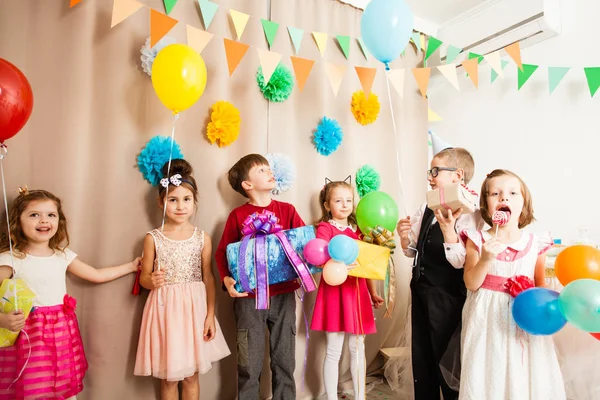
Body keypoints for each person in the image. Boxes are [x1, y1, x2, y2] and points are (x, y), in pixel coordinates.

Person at [0, 188, 140, 399]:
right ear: (17, 221)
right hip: (29, 337)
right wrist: (3, 320)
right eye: (34, 214)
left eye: (51, 215)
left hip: (61, 334)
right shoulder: (11, 258)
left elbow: (95, 274)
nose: (43, 220)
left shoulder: (62, 256)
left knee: (61, 384)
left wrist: (131, 266)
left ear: (59, 221)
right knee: (33, 388)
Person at [134, 159, 230, 400]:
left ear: (194, 201)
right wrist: (151, 281)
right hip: (165, 312)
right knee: (169, 377)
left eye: (186, 200)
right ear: (161, 202)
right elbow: (144, 277)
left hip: (194, 311)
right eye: (172, 200)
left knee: (191, 376)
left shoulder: (202, 237)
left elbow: (207, 277)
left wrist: (209, 315)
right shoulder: (152, 237)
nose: (180, 206)